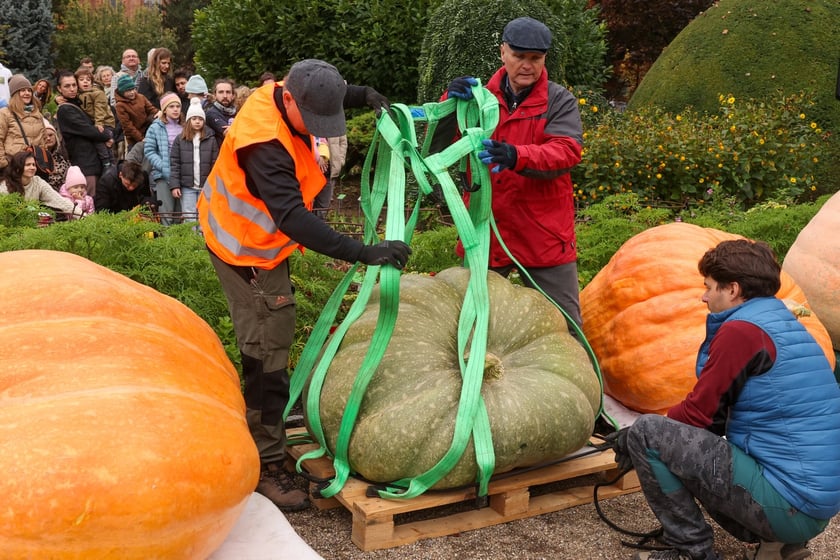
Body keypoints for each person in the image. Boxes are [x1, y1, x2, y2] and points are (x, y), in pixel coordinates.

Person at [197, 59, 407, 512]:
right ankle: (265, 461)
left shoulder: (285, 89)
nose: (318, 129)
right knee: (267, 350)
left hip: (254, 238)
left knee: (272, 336)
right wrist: (363, 251)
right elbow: (292, 217)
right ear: (289, 99)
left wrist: (364, 95)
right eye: (312, 119)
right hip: (246, 250)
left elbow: (329, 92)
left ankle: (266, 443)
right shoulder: (263, 144)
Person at [610, 239, 840, 560]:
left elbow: (698, 415)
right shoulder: (783, 323)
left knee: (648, 432)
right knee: (672, 439)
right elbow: (715, 421)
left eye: (708, 287)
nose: (703, 296)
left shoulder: (742, 332)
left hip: (788, 506)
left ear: (732, 289)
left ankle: (691, 551)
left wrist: (633, 436)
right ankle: (781, 545)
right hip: (813, 508)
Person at [443, 17, 584, 330]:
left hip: (543, 234)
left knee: (566, 329)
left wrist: (517, 156)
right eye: (519, 56)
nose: (527, 66)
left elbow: (566, 151)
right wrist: (448, 104)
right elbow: (441, 144)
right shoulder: (478, 100)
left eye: (536, 58)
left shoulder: (559, 101)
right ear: (503, 52)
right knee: (474, 327)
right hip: (486, 232)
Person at [54, 70, 112, 196]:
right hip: (85, 165)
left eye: (74, 85)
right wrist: (107, 135)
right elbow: (89, 130)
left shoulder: (79, 103)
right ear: (59, 88)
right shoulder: (65, 110)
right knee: (88, 201)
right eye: (67, 86)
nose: (72, 89)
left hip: (94, 162)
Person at [170, 97, 218, 222]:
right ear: (188, 120)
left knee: (204, 217)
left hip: (205, 186)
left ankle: (202, 236)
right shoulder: (180, 139)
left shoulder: (211, 139)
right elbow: (175, 164)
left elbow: (215, 164)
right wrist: (175, 185)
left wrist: (214, 184)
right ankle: (191, 236)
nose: (197, 121)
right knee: (189, 217)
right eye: (194, 118)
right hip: (187, 187)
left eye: (200, 119)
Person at [0, 151, 81, 217]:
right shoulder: (5, 187)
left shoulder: (38, 182)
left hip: (33, 223)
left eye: (34, 165)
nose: (32, 167)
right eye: (28, 165)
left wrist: (81, 215)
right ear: (18, 168)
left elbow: (59, 201)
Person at [143, 92, 182, 224]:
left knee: (180, 214)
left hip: (181, 174)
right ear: (164, 109)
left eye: (178, 106)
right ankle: (166, 236)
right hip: (163, 175)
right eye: (171, 106)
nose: (175, 109)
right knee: (166, 213)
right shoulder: (156, 127)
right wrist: (163, 166)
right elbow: (149, 150)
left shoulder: (185, 126)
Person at [0, 74, 46, 170]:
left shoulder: (37, 114)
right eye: (22, 90)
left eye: (29, 90)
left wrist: (42, 161)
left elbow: (43, 140)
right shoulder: (5, 113)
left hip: (33, 166)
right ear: (15, 94)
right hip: (13, 166)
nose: (27, 93)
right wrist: (4, 163)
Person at [76, 66, 115, 170]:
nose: (85, 82)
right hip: (94, 123)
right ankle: (109, 163)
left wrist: (99, 123)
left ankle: (107, 163)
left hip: (105, 122)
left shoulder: (97, 93)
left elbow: (100, 109)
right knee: (103, 142)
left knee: (100, 141)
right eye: (82, 80)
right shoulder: (79, 95)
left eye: (88, 80)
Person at [114, 74, 157, 155]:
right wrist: (140, 138)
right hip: (133, 138)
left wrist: (158, 113)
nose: (132, 92)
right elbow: (127, 125)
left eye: (133, 89)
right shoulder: (120, 105)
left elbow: (151, 109)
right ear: (122, 92)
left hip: (147, 132)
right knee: (134, 156)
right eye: (128, 91)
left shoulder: (141, 97)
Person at [204, 78, 237, 146]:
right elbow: (229, 134)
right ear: (215, 95)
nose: (225, 96)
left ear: (233, 95)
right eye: (221, 92)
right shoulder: (211, 113)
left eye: (228, 92)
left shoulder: (237, 112)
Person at [41, 119, 71, 191]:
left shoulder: (63, 155)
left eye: (51, 135)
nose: (48, 138)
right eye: (45, 136)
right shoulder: (38, 157)